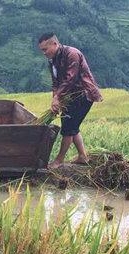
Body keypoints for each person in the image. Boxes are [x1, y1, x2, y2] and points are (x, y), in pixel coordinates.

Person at [38, 33, 103, 169]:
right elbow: (55, 82)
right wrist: (55, 100)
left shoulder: (72, 54)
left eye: (45, 49)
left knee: (68, 128)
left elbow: (70, 79)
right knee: (73, 126)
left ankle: (59, 160)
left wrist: (58, 97)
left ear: (54, 44)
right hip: (69, 96)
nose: (44, 53)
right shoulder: (52, 61)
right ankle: (82, 156)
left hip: (83, 94)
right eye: (42, 50)